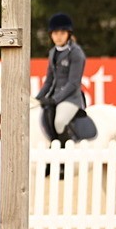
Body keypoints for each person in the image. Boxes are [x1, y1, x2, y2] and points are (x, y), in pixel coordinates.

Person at [35, 12, 86, 146]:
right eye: (55, 33)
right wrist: (37, 98)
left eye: (62, 33)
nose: (58, 37)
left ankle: (64, 161)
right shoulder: (53, 53)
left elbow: (73, 83)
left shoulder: (76, 53)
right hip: (54, 97)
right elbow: (49, 81)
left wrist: (55, 99)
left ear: (68, 34)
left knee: (59, 122)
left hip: (71, 99)